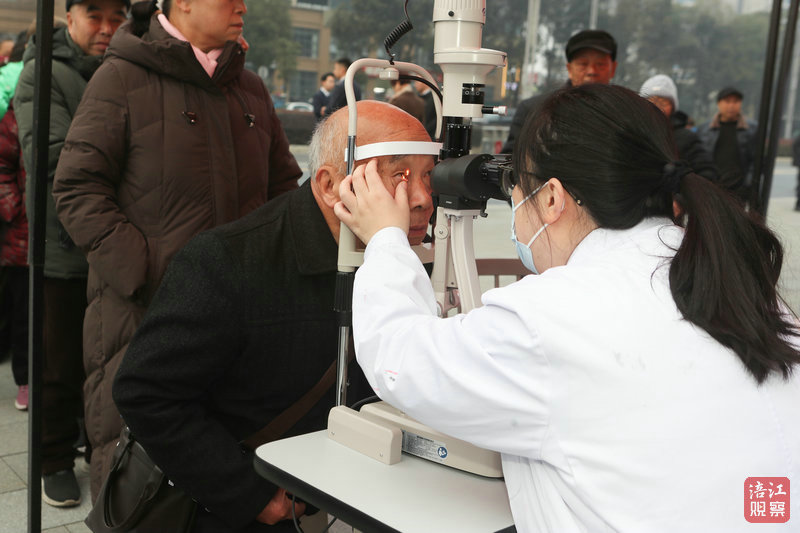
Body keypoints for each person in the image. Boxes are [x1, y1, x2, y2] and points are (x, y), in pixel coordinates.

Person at [335, 84, 800, 532]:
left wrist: (385, 238)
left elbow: (398, 358)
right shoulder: (731, 279)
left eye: (516, 185)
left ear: (552, 198)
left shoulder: (552, 318)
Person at [112, 100, 435, 533]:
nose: (422, 199)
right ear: (329, 185)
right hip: (236, 510)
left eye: (428, 175)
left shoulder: (403, 259)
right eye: (398, 176)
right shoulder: (228, 262)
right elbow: (145, 392)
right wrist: (250, 494)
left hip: (351, 490)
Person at [52, 0, 302, 500]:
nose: (242, 6)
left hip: (244, 323)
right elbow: (77, 187)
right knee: (140, 484)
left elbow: (283, 192)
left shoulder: (250, 88)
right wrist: (148, 272)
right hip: (143, 316)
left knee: (233, 480)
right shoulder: (121, 77)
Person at [14, 1, 128, 507]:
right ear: (70, 17)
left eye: (115, 18)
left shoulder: (125, 69)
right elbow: (52, 157)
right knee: (57, 364)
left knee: (107, 361)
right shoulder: (43, 73)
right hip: (62, 248)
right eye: (94, 15)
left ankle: (94, 449)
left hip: (115, 248)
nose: (106, 28)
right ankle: (53, 459)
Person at [502, 29, 617, 154]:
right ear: (569, 69)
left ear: (613, 68)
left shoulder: (624, 113)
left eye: (600, 64)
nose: (591, 71)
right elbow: (511, 159)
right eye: (583, 64)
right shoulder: (534, 110)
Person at [0, 100, 27, 412]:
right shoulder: (13, 119)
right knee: (24, 315)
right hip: (21, 237)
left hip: (50, 236)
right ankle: (25, 379)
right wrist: (15, 209)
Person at [639, 74, 717, 182]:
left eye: (663, 102)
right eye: (651, 101)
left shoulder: (687, 139)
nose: (657, 107)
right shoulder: (632, 135)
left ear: (673, 107)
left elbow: (708, 173)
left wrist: (683, 180)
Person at [697, 86, 758, 205]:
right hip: (711, 188)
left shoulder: (752, 129)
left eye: (736, 101)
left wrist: (748, 184)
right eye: (727, 101)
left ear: (740, 104)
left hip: (739, 190)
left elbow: (756, 161)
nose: (731, 105)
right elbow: (698, 159)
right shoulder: (704, 129)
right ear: (719, 103)